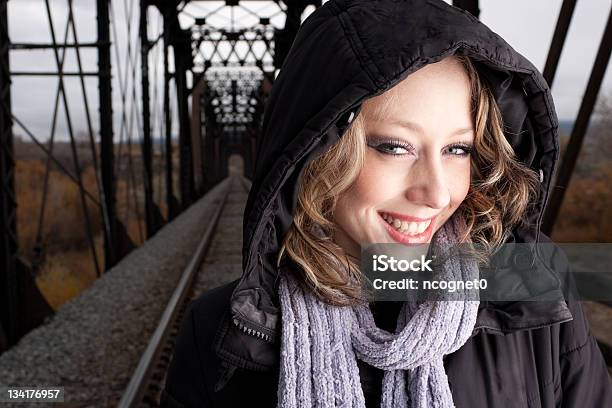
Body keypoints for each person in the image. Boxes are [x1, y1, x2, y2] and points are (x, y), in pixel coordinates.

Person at [160, 0, 612, 407]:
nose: (436, 192)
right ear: (317, 156)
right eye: (395, 147)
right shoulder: (220, 332)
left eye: (458, 149)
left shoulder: (532, 282)